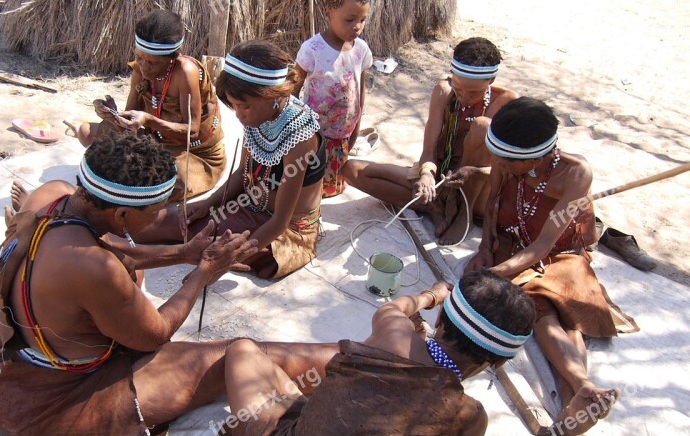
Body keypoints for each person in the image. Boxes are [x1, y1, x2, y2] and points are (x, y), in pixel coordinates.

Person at [0, 132, 338, 436]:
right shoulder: (95, 269)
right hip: (59, 403)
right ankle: (355, 359)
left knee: (132, 278)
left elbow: (113, 249)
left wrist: (183, 252)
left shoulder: (52, 198)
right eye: (155, 212)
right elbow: (154, 336)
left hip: (10, 365)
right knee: (236, 356)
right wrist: (202, 274)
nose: (161, 220)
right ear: (120, 216)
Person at [465, 97, 639, 436]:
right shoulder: (507, 155)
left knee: (567, 305)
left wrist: (493, 274)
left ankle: (579, 392)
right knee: (540, 306)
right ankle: (583, 388)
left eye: (505, 159)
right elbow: (494, 202)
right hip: (515, 243)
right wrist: (486, 248)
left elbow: (544, 246)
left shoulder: (576, 174)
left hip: (561, 251)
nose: (496, 162)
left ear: (536, 157)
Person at [211, 269, 535, 436]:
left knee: (242, 350)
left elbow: (394, 308)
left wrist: (431, 295)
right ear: (497, 363)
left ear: (439, 321)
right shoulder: (471, 417)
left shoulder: (393, 332)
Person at [137, 40, 326, 280]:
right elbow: (241, 174)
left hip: (286, 230)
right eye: (233, 106)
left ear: (271, 96)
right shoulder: (259, 116)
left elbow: (280, 222)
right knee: (174, 220)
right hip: (248, 204)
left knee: (209, 247)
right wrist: (210, 203)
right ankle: (104, 242)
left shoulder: (300, 134)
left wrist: (228, 258)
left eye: (243, 107)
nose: (238, 115)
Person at [343, 37, 517, 244]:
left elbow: (508, 170)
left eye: (473, 93)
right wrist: (426, 175)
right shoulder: (444, 91)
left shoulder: (506, 102)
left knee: (482, 126)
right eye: (459, 89)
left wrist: (470, 172)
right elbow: (429, 151)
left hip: (477, 190)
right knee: (352, 170)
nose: (464, 98)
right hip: (441, 178)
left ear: (491, 80)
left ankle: (464, 215)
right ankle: (434, 206)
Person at [74, 9, 226, 202]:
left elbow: (192, 132)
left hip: (193, 153)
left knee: (158, 183)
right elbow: (128, 125)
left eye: (152, 63)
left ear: (172, 59)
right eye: (139, 58)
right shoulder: (141, 69)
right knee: (86, 132)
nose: (144, 67)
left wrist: (149, 120)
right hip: (153, 139)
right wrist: (113, 115)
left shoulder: (186, 73)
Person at [293, 0, 373, 198]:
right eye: (350, 19)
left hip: (343, 133)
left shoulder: (360, 50)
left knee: (333, 187)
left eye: (362, 19)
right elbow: (293, 89)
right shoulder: (313, 49)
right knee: (309, 185)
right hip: (314, 133)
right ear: (328, 12)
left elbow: (360, 88)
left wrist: (356, 125)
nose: (357, 26)